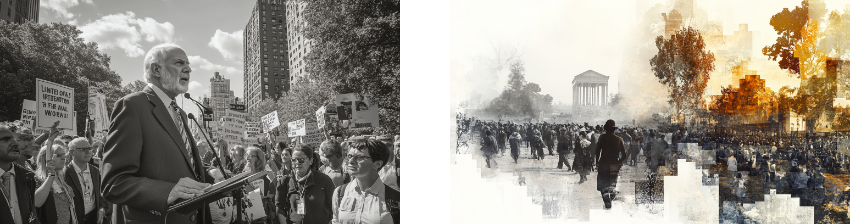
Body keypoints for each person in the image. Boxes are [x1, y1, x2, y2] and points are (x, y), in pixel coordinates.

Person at [101, 43, 213, 224]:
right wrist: (168, 192)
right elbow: (114, 183)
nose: (189, 69)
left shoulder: (180, 113)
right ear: (156, 69)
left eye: (188, 64)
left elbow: (180, 164)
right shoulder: (132, 106)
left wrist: (211, 174)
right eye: (179, 63)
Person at [331, 137, 399, 224]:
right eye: (350, 156)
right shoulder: (340, 193)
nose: (351, 161)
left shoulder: (395, 200)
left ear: (377, 164)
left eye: (359, 157)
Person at [276, 145, 335, 224]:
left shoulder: (324, 180)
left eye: (301, 160)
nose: (297, 163)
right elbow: (279, 208)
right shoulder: (284, 181)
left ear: (310, 160)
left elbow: (333, 208)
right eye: (294, 160)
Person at [0, 122, 41, 224]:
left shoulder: (27, 177)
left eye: (15, 139)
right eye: (6, 139)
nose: (15, 143)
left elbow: (32, 216)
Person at [65, 138, 109, 224]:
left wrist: (101, 208)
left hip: (93, 218)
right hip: (75, 219)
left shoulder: (95, 171)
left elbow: (102, 192)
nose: (88, 151)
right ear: (72, 152)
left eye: (89, 148)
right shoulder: (65, 173)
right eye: (83, 149)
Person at [595, 120, 627, 209]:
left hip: (603, 163)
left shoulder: (602, 137)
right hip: (614, 164)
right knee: (612, 185)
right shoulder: (619, 139)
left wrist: (596, 161)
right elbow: (624, 155)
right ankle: (610, 198)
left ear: (606, 128)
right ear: (614, 129)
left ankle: (607, 202)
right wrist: (619, 162)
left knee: (602, 185)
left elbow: (597, 151)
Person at [243, 146, 275, 224]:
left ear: (258, 158)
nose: (247, 158)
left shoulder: (267, 172)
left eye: (250, 155)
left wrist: (262, 197)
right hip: (249, 211)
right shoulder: (244, 174)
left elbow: (273, 187)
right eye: (246, 155)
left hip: (263, 212)